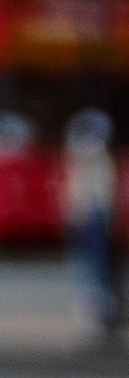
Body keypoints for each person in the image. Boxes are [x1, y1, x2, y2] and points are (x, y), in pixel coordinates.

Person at [62, 107, 121, 337]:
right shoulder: (97, 157)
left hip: (91, 218)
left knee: (91, 269)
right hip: (91, 218)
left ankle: (96, 315)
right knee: (92, 269)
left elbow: (90, 195)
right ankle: (97, 314)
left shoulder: (89, 158)